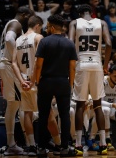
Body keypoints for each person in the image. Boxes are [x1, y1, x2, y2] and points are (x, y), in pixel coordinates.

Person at [11, 15, 63, 156]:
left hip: (24, 81)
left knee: (27, 113)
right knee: (49, 114)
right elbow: (39, 62)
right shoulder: (38, 38)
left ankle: (32, 146)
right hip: (37, 81)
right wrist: (34, 81)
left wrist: (22, 80)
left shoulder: (18, 39)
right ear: (38, 26)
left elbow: (13, 63)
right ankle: (59, 144)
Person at [34, 14, 81, 156]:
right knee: (64, 115)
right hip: (63, 81)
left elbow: (38, 65)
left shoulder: (44, 42)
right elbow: (72, 67)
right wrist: (71, 84)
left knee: (43, 115)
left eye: (48, 26)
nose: (46, 28)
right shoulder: (70, 43)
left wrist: (37, 81)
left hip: (46, 81)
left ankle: (41, 148)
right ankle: (65, 148)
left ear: (52, 27)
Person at [69, 4, 112, 155]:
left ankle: (79, 144)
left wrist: (72, 65)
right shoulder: (102, 23)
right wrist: (105, 65)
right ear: (91, 13)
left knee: (80, 105)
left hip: (81, 63)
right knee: (98, 104)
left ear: (79, 13)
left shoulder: (75, 23)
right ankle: (103, 143)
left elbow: (69, 44)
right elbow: (109, 44)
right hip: (96, 64)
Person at [0, 6, 33, 156]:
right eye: (28, 18)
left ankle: (11, 143)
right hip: (9, 66)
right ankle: (15, 143)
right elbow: (8, 39)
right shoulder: (16, 23)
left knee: (13, 105)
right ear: (24, 15)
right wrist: (17, 57)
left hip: (5, 65)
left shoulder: (11, 24)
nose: (29, 21)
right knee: (17, 104)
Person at [88, 64, 116, 151]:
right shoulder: (102, 82)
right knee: (104, 110)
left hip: (113, 108)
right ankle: (103, 139)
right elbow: (97, 101)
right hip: (97, 107)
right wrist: (112, 105)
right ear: (109, 74)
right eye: (115, 76)